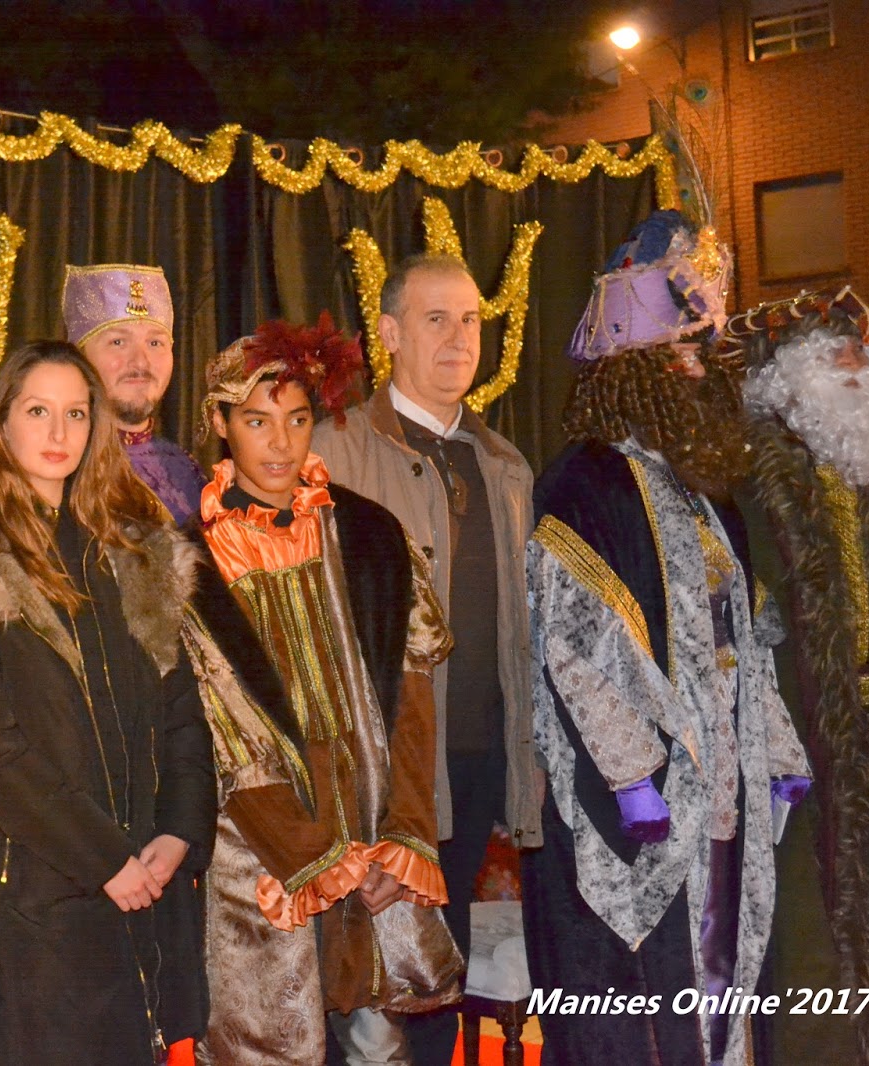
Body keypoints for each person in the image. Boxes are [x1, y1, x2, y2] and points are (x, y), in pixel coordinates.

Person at [524, 214, 812, 1066]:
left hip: (724, 786)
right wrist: (632, 778)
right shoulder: (583, 481)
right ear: (633, 362)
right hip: (646, 796)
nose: (696, 364)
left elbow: (745, 641)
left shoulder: (708, 495)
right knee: (641, 1000)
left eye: (702, 349)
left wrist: (775, 751)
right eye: (681, 347)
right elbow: (572, 643)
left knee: (723, 964)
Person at [0, 340, 216, 1065]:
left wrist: (179, 831)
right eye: (38, 411)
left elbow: (182, 712)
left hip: (151, 883)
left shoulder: (135, 551)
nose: (58, 433)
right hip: (40, 901)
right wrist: (107, 859)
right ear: (0, 425)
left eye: (76, 413)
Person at [184, 315, 458, 1065]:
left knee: (379, 1044)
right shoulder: (191, 564)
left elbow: (412, 700)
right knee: (271, 1044)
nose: (280, 444)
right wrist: (318, 859)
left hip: (375, 842)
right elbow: (222, 732)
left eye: (297, 419)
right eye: (257, 422)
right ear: (219, 424)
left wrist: (400, 838)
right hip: (263, 860)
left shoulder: (370, 535)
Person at [309, 252, 543, 1061]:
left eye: (471, 319)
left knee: (442, 978)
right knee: (366, 1000)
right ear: (389, 333)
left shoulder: (506, 465)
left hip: (477, 765)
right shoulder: (333, 452)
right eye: (435, 319)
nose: (458, 337)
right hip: (380, 778)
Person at [733, 286, 869, 1063]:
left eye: (863, 351)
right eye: (830, 351)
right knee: (819, 933)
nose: (851, 362)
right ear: (786, 375)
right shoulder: (749, 488)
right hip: (802, 748)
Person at [63, 263, 207, 524]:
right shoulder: (59, 467)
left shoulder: (185, 470)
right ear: (78, 357)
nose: (141, 362)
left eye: (155, 343)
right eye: (118, 342)